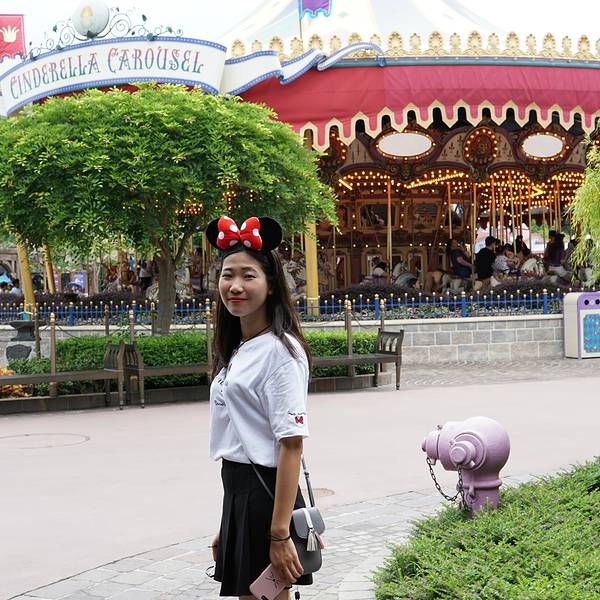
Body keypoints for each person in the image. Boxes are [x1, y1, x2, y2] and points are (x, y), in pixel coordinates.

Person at [206, 215, 313, 599]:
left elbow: (291, 445)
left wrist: (279, 533)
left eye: (248, 276)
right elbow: (242, 433)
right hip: (239, 491)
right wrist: (229, 520)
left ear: (270, 286)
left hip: (266, 497)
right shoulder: (240, 347)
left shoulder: (281, 352)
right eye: (227, 275)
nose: (235, 285)